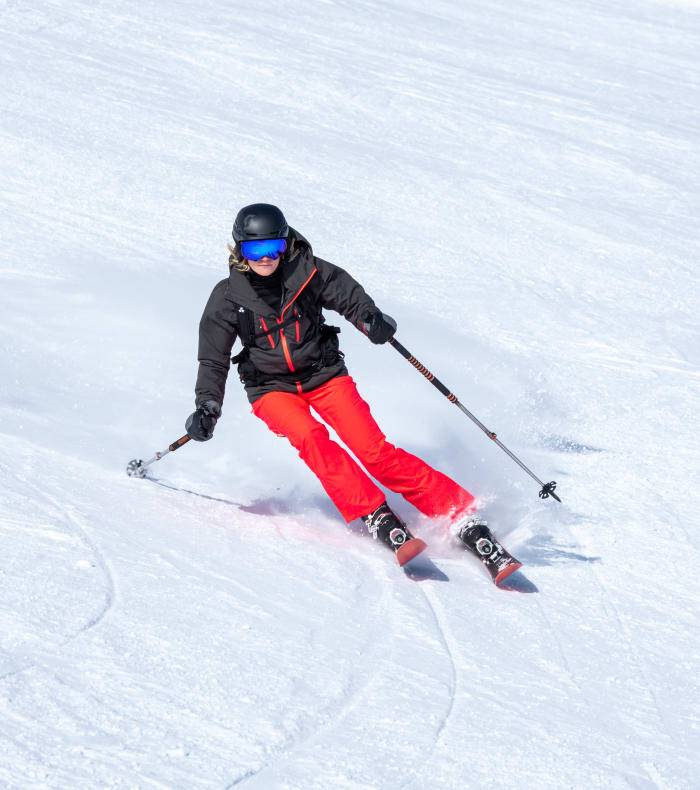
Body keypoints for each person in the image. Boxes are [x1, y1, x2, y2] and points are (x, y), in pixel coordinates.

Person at [186, 203, 520, 581]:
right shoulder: (227, 296)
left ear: (286, 243)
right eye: (254, 251)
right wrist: (208, 405)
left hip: (324, 374)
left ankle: (461, 515)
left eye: (274, 248)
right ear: (239, 250)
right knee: (312, 437)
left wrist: (370, 319)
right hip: (270, 388)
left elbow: (349, 297)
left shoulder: (308, 271)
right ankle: (375, 512)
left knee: (373, 451)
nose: (266, 259)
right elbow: (212, 359)